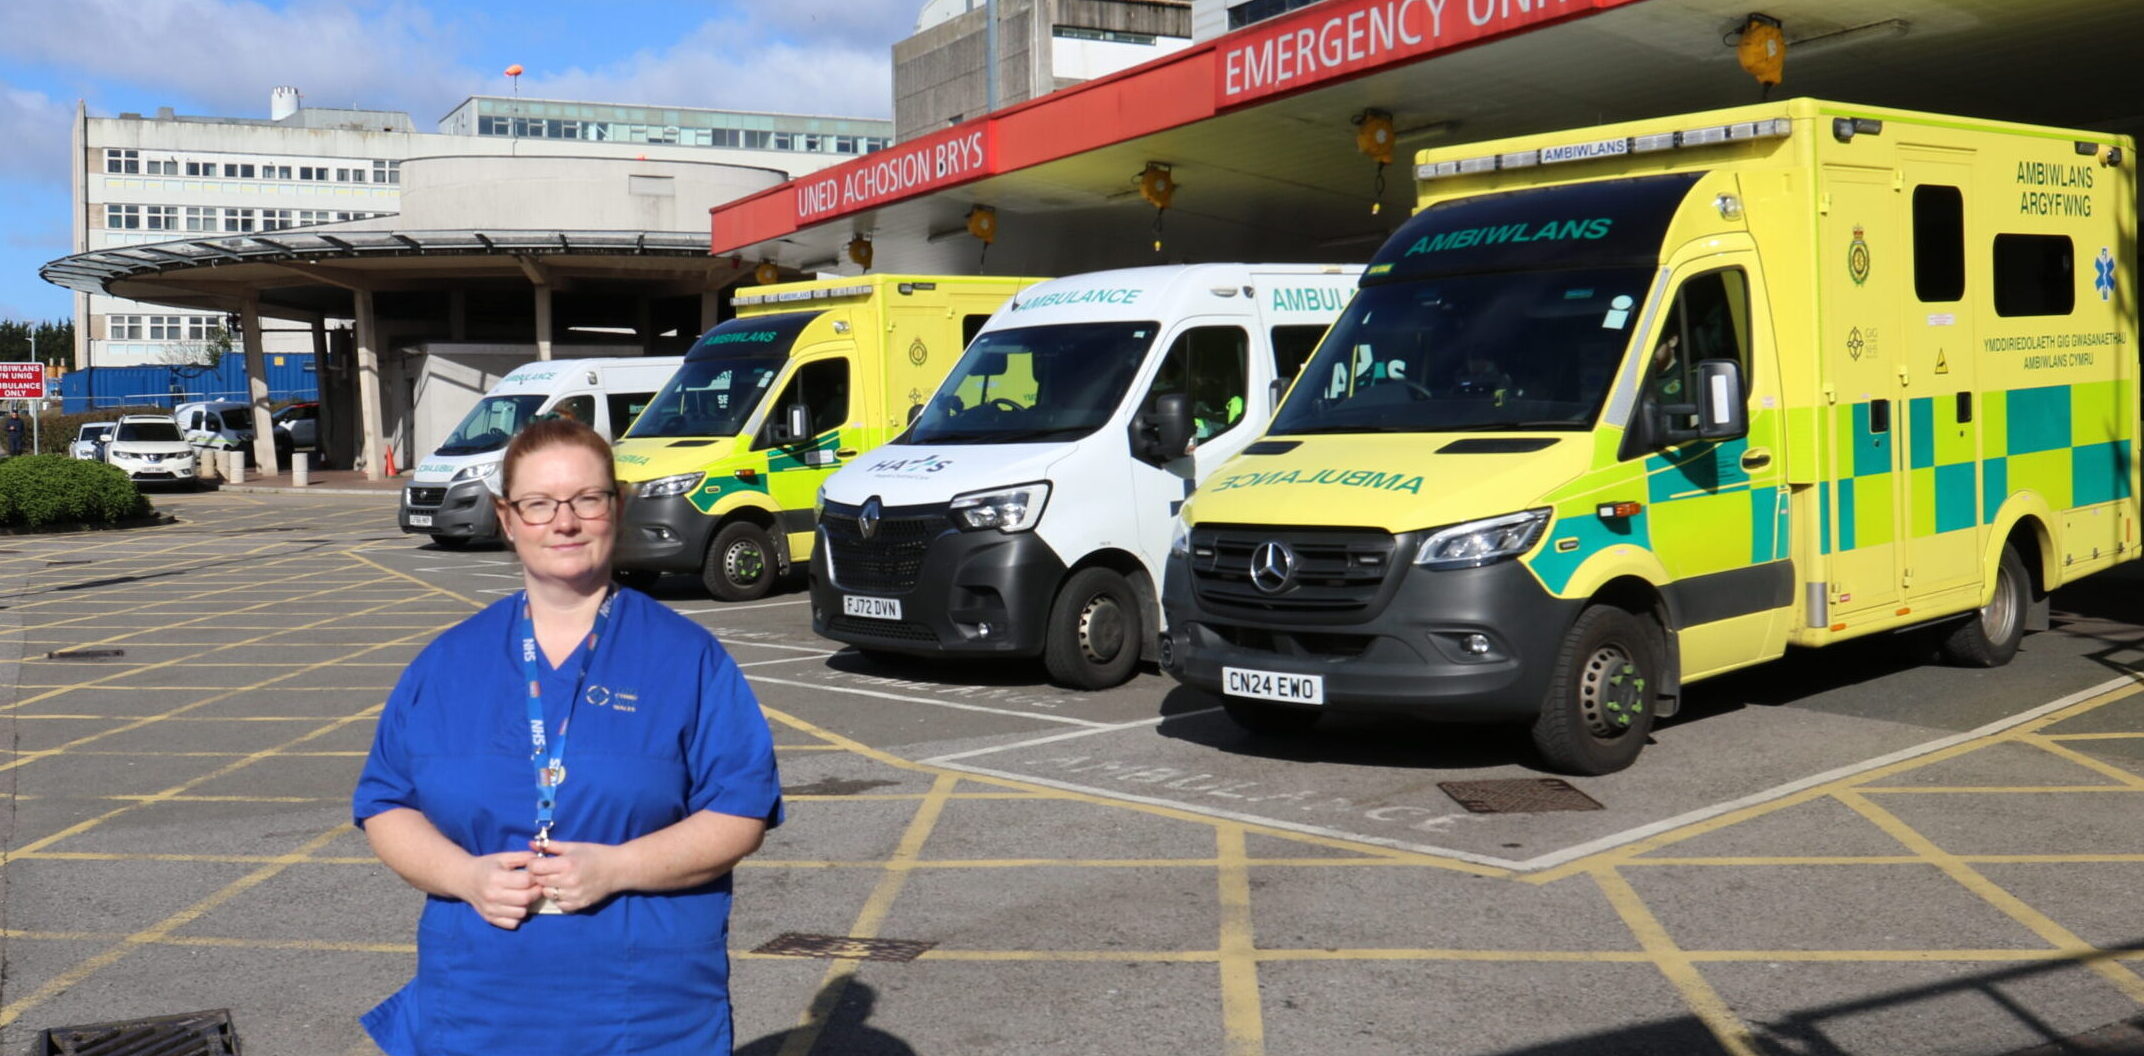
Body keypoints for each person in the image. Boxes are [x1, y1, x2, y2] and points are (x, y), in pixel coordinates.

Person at [353, 417, 783, 1055]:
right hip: (477, 1007)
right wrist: (465, 876)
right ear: (507, 518)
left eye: (588, 498)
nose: (565, 522)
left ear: (617, 507)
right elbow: (386, 803)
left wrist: (617, 867)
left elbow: (740, 811)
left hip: (645, 1013)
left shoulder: (687, 657)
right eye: (539, 504)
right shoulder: (446, 664)